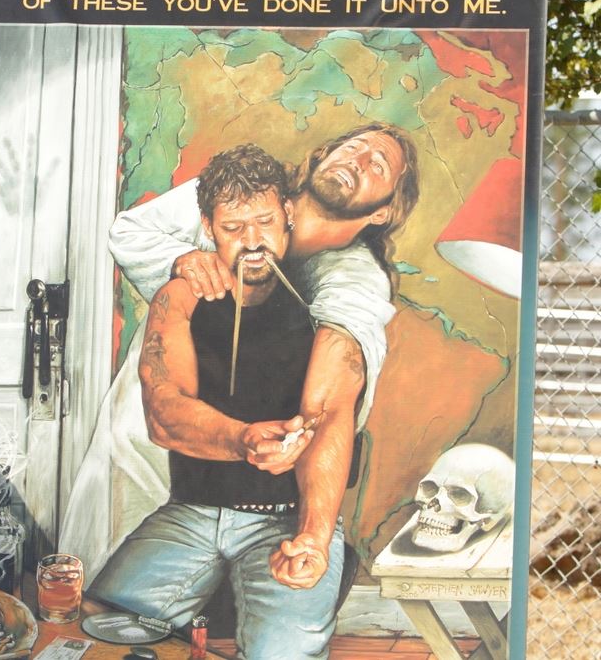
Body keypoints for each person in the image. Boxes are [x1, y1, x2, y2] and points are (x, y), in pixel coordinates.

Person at [58, 123, 420, 581]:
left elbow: (336, 380)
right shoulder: (244, 188)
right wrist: (181, 258)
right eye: (353, 148)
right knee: (105, 558)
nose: (358, 161)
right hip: (155, 424)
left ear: (384, 211)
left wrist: (311, 528)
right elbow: (129, 230)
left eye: (378, 165)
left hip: (258, 467)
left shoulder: (356, 277)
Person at [90, 145, 363, 659]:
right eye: (234, 228)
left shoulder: (327, 306)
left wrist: (313, 536)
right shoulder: (182, 297)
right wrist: (242, 439)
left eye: (264, 222)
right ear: (208, 227)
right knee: (99, 630)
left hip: (287, 516)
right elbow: (165, 415)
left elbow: (330, 422)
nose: (253, 242)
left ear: (287, 214)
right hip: (191, 512)